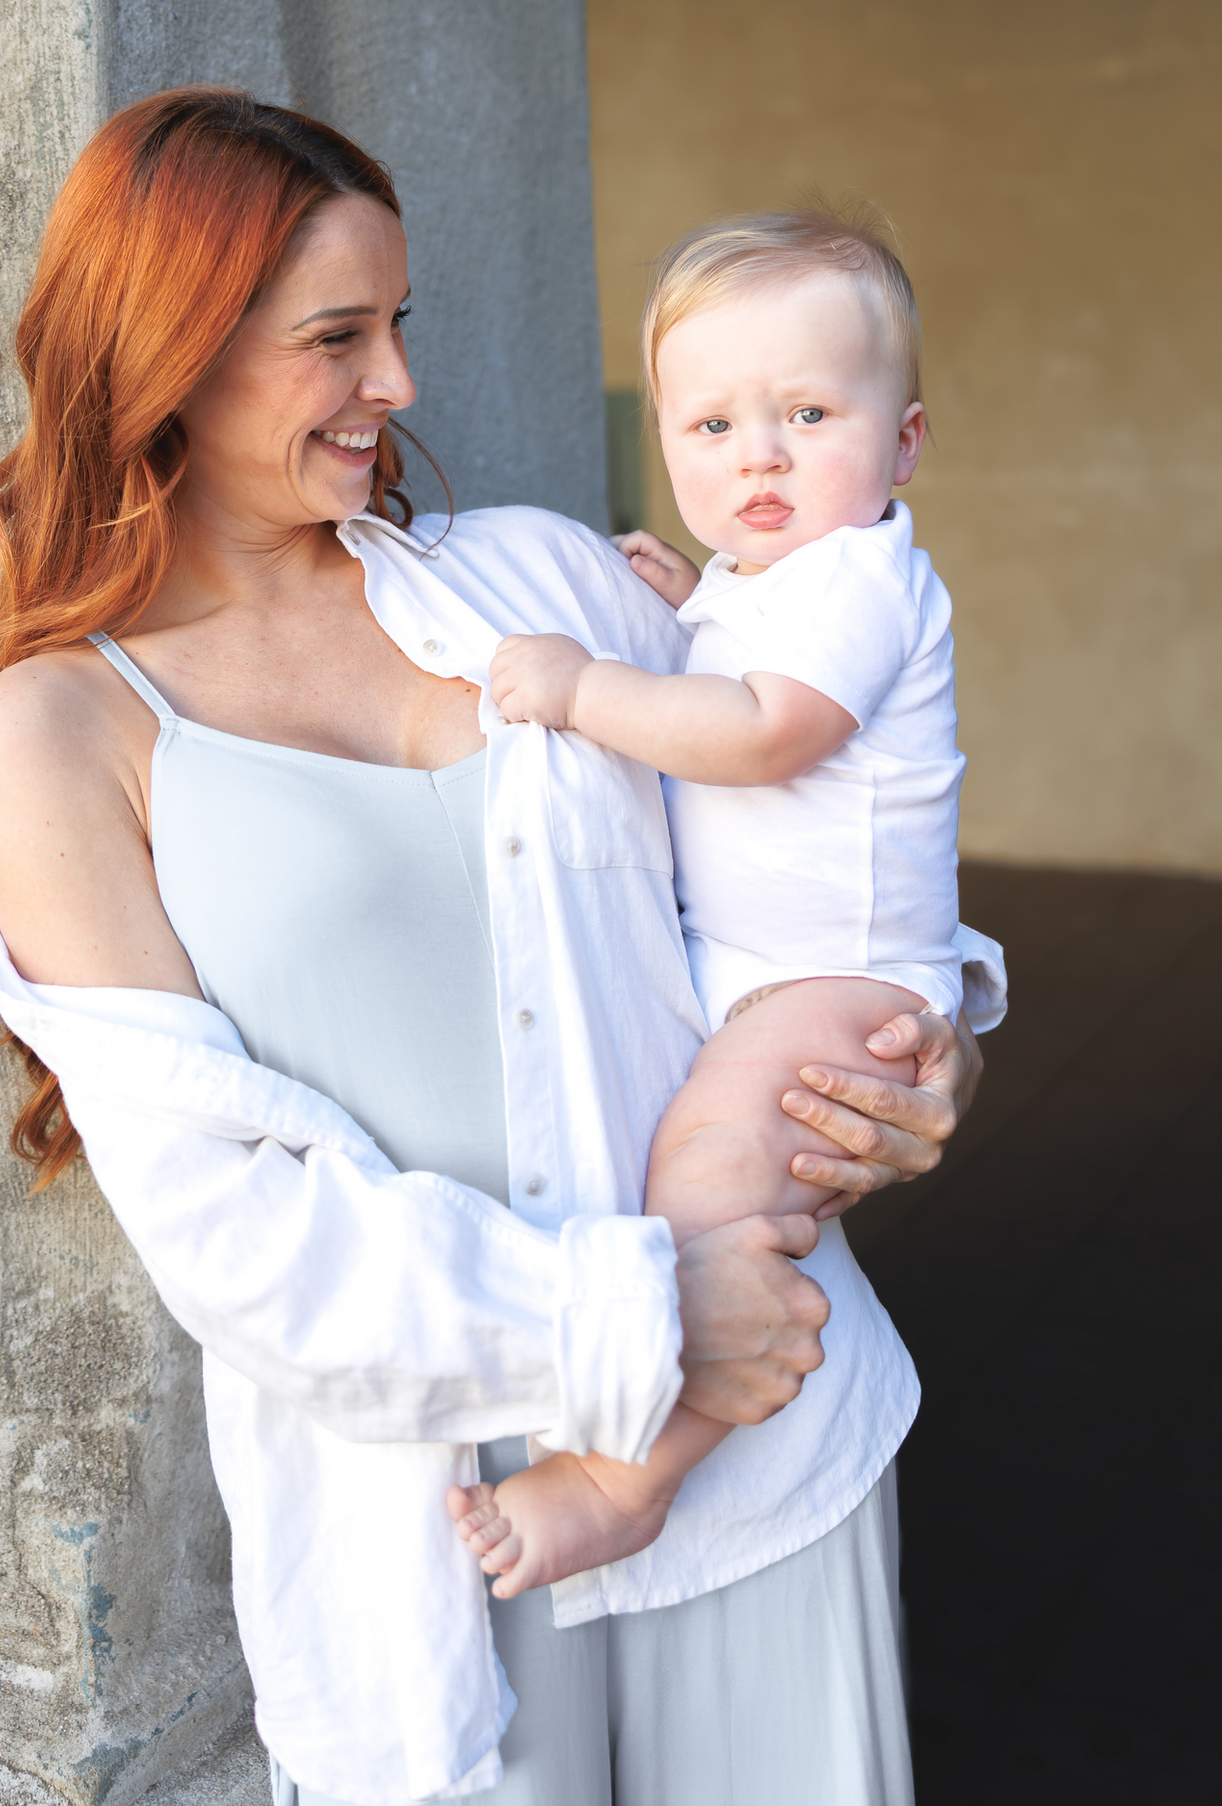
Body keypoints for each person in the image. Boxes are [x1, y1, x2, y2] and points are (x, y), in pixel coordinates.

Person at [0, 90, 998, 1806]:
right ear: (172, 350)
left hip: (768, 1439)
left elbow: (822, 850)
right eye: (338, 336)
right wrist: (644, 1313)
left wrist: (926, 1056)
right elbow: (231, 1237)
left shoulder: (539, 582)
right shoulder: (55, 729)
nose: (402, 385)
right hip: (440, 1545)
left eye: (400, 322)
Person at [446, 210, 996, 1602]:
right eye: (711, 425)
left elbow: (763, 735)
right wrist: (697, 605)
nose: (758, 453)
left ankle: (633, 1481)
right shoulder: (770, 588)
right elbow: (751, 663)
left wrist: (583, 687)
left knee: (705, 1184)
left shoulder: (866, 576)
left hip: (838, 976)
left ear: (905, 442)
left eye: (808, 412)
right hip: (781, 964)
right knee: (703, 1175)